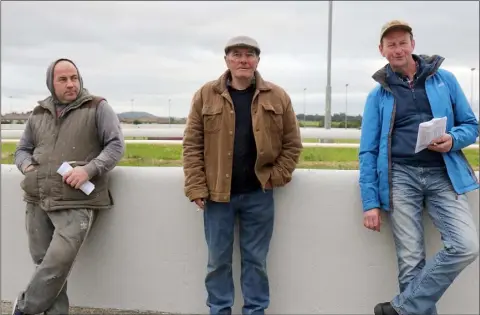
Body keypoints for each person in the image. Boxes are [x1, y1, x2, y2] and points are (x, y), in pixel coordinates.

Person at [358, 20, 479, 315]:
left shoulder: (445, 80)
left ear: (413, 44)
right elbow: (368, 151)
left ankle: (399, 309)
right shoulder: (378, 95)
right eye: (391, 45)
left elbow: (471, 126)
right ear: (382, 51)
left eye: (402, 42)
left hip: (443, 173)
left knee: (466, 245)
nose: (397, 49)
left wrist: (452, 139)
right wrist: (370, 202)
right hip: (400, 177)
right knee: (411, 261)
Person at [182, 35, 302, 315]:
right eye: (236, 54)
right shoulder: (205, 95)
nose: (243, 60)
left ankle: (255, 311)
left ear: (258, 61)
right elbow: (192, 144)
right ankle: (219, 310)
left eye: (249, 54)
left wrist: (276, 176)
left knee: (256, 261)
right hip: (217, 196)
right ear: (227, 60)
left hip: (258, 194)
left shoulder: (278, 96)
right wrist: (196, 187)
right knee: (217, 262)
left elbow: (292, 143)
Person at [12, 58, 125, 315]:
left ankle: (24, 309)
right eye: (63, 79)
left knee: (56, 264)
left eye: (74, 77)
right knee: (44, 264)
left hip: (77, 202)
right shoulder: (39, 113)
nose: (70, 84)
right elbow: (22, 149)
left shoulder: (98, 107)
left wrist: (88, 170)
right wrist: (28, 167)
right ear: (51, 83)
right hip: (37, 198)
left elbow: (116, 146)